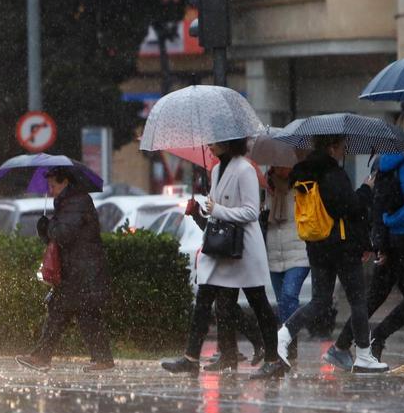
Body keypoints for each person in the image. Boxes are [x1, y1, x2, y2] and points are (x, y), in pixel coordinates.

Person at [325, 110, 404, 369]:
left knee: (381, 295)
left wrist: (379, 241)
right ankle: (378, 337)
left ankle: (343, 344)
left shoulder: (388, 159)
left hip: (393, 236)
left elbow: (380, 202)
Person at [268, 134, 387, 376]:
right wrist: (366, 189)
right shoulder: (332, 173)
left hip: (317, 245)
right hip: (341, 247)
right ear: (332, 148)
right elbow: (349, 208)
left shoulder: (305, 172)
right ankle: (364, 355)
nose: (344, 151)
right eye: (342, 147)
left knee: (320, 300)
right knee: (357, 300)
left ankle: (282, 335)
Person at [162, 139, 283, 376]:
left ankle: (272, 359)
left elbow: (250, 211)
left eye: (214, 141)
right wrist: (203, 210)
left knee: (258, 302)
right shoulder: (217, 169)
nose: (208, 145)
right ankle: (191, 357)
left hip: (243, 247)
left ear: (228, 142)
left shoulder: (245, 169)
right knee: (205, 298)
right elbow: (216, 207)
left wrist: (217, 209)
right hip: (220, 246)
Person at [16, 166, 115, 372]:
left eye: (53, 185)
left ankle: (42, 357)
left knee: (62, 310)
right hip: (78, 269)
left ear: (65, 182)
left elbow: (63, 234)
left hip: (82, 270)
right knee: (84, 313)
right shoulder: (68, 202)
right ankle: (102, 359)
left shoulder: (76, 202)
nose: (50, 189)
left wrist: (48, 226)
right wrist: (45, 229)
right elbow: (57, 238)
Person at [265, 166, 311, 359]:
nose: (280, 168)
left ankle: (288, 344)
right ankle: (286, 346)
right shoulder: (267, 189)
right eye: (276, 165)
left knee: (289, 296)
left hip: (299, 251)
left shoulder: (302, 187)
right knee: (281, 302)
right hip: (274, 252)